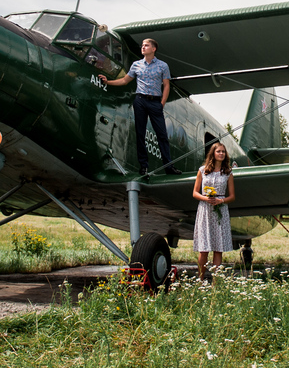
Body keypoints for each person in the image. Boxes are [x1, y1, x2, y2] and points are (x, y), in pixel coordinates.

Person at [99, 38, 181, 175]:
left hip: (155, 103)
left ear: (153, 49)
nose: (143, 47)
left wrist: (162, 104)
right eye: (142, 45)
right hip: (140, 101)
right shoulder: (136, 65)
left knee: (162, 135)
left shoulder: (163, 66)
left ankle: (168, 167)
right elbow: (125, 80)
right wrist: (108, 82)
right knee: (140, 134)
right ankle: (143, 166)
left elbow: (166, 86)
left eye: (146, 45)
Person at [191, 142, 235, 280]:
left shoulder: (228, 173)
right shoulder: (203, 170)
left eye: (223, 151)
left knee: (218, 247)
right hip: (205, 210)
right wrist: (205, 198)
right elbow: (194, 193)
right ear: (213, 154)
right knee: (203, 248)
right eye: (219, 151)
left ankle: (216, 283)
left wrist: (221, 201)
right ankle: (201, 280)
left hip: (220, 209)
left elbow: (232, 196)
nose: (221, 154)